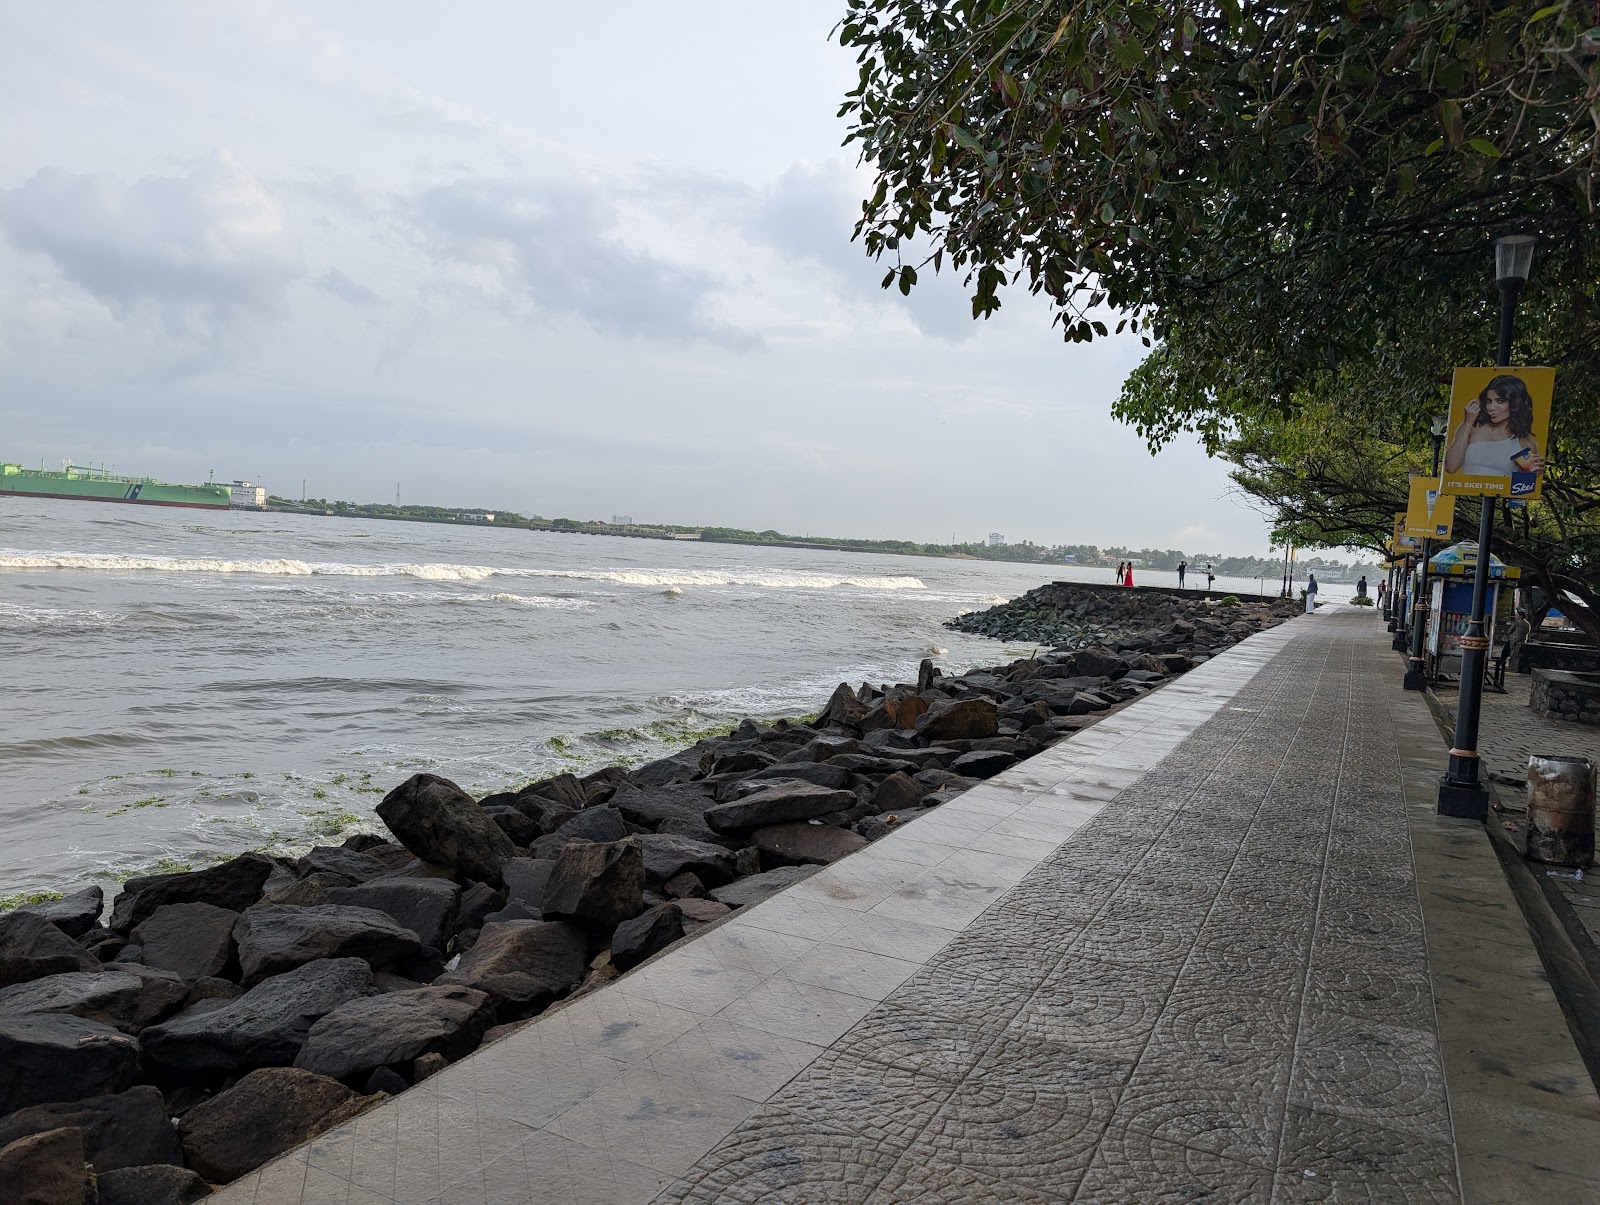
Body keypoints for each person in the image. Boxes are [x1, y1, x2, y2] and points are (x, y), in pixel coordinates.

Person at [1443, 374, 1545, 481]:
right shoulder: (1472, 427)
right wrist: (1468, 422)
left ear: (1516, 403)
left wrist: (1534, 474)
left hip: (1500, 497)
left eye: (1500, 401)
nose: (1491, 407)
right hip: (1468, 495)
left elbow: (1524, 488)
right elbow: (1450, 466)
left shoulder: (1526, 443)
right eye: (1489, 401)